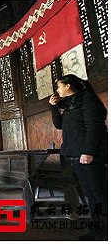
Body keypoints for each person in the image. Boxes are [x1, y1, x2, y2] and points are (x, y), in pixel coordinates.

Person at [49, 74, 108, 240]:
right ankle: (97, 231)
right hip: (75, 155)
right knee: (90, 195)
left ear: (68, 86)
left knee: (100, 194)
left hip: (89, 155)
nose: (57, 89)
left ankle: (105, 233)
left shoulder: (87, 100)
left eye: (59, 86)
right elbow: (59, 124)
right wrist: (54, 107)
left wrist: (88, 151)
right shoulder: (69, 104)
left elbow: (94, 127)